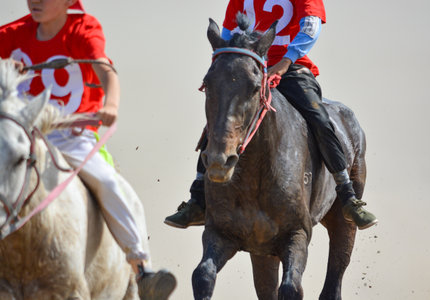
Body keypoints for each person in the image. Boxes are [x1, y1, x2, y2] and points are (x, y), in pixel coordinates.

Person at [0, 0, 176, 298]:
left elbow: (105, 70)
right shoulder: (12, 33)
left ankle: (141, 267)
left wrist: (110, 103)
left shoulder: (83, 30)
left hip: (71, 138)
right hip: (21, 136)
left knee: (108, 182)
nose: (36, 1)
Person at [165, 0, 378, 230]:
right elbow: (227, 37)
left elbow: (311, 25)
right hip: (249, 71)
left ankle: (347, 196)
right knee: (220, 119)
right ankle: (198, 200)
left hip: (293, 68)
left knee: (319, 118)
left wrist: (286, 61)